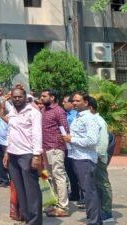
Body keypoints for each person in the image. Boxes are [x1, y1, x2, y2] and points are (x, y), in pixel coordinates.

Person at [2, 87, 43, 225]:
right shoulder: (12, 112)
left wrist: (36, 155)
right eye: (14, 97)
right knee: (20, 189)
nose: (17, 99)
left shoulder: (33, 113)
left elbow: (37, 134)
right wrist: (7, 152)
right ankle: (26, 218)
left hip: (27, 155)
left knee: (31, 190)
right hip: (13, 154)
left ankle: (35, 221)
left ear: (25, 97)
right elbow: (10, 133)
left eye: (20, 97)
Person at [61, 92, 102, 225]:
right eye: (73, 101)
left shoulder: (89, 118)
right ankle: (93, 220)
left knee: (89, 191)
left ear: (86, 102)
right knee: (86, 190)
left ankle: (94, 221)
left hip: (85, 159)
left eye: (78, 101)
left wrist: (72, 139)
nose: (74, 103)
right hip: (77, 157)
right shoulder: (79, 117)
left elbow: (92, 140)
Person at [39, 89, 71, 217]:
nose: (41, 98)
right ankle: (53, 203)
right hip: (45, 149)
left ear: (52, 97)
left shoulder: (58, 110)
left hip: (56, 148)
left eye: (44, 96)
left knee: (59, 176)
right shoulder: (43, 110)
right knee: (48, 177)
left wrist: (61, 144)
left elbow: (65, 129)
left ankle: (63, 206)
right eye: (41, 96)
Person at [89, 98, 113, 223]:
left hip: (98, 158)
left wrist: (98, 157)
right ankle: (99, 210)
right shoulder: (90, 120)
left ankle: (107, 212)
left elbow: (103, 142)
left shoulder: (99, 121)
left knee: (103, 184)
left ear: (90, 108)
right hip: (91, 158)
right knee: (95, 185)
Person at [62, 94, 82, 205]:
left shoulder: (76, 115)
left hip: (76, 147)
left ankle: (82, 196)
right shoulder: (64, 114)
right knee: (70, 172)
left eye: (65, 102)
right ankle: (74, 193)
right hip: (67, 147)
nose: (63, 104)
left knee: (78, 173)